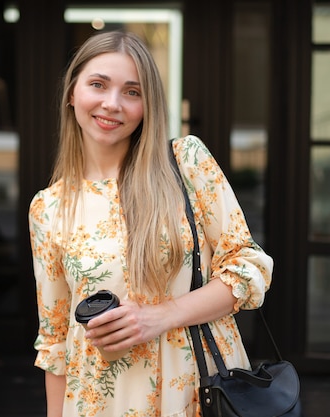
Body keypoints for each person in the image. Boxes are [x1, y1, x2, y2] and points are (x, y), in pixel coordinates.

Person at [28, 30, 273, 417]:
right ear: (72, 92)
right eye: (98, 84)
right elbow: (56, 342)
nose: (112, 104)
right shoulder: (49, 207)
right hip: (99, 401)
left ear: (148, 105)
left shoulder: (184, 162)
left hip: (194, 391)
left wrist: (161, 315)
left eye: (132, 92)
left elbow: (249, 268)